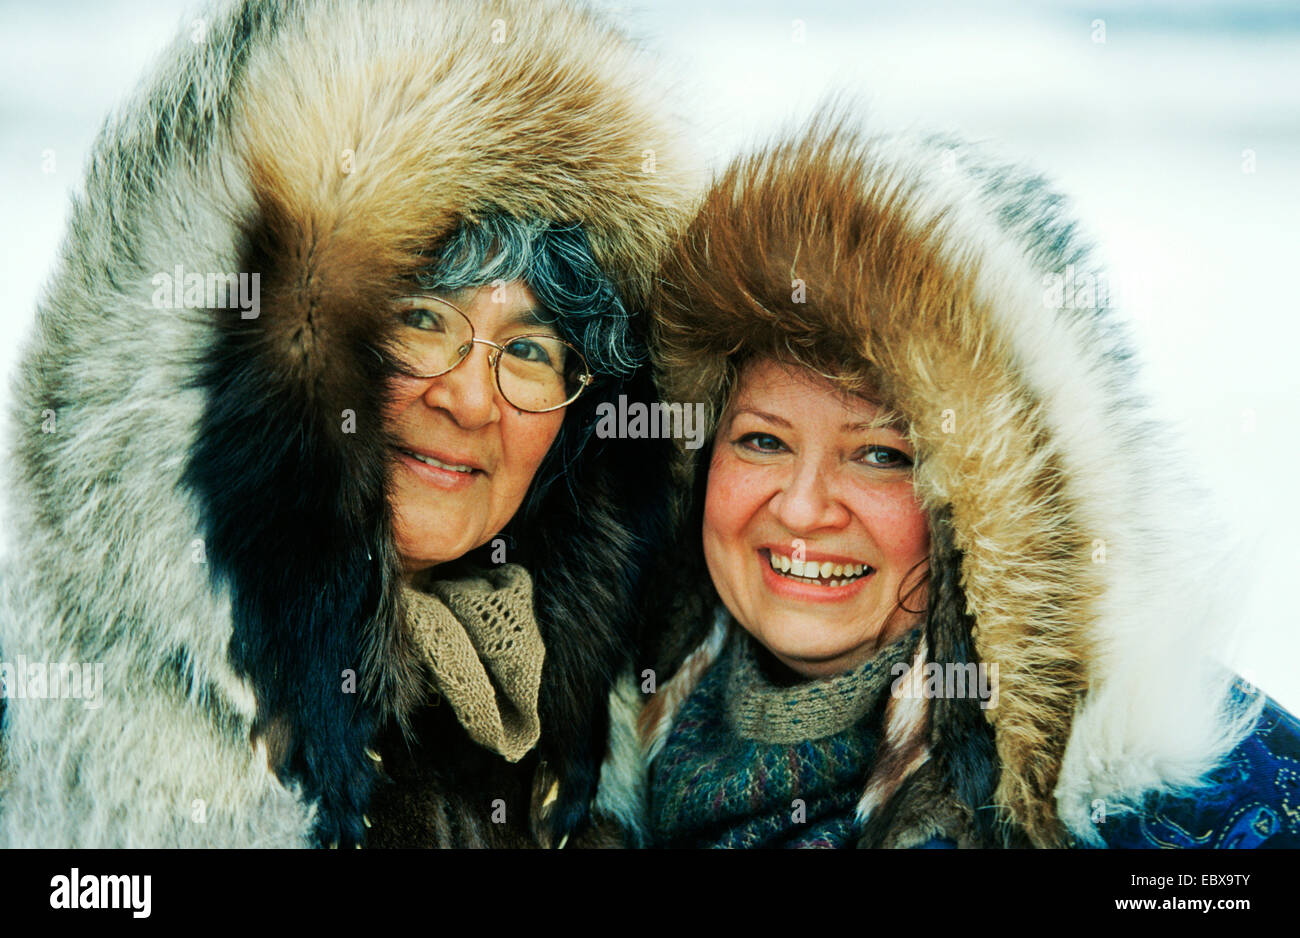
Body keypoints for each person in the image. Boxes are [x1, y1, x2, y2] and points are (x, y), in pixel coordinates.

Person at [0, 0, 695, 848]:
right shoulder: (68, 714)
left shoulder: (629, 743)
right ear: (294, 365)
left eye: (531, 352)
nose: (471, 400)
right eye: (423, 319)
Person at [596, 115, 1300, 848]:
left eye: (881, 456)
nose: (802, 509)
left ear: (992, 515)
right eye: (763, 441)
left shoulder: (1172, 796)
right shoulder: (588, 746)